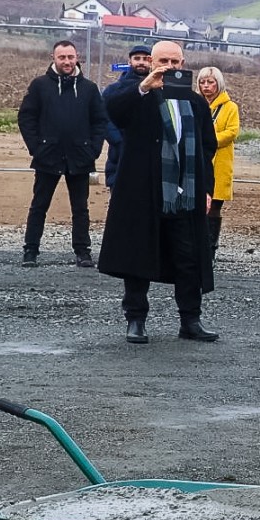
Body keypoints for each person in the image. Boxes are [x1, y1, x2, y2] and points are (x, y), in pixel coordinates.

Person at [98, 40, 216, 343]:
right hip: (144, 191)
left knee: (188, 258)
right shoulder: (139, 94)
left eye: (175, 62)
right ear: (152, 62)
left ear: (183, 64)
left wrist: (206, 188)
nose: (170, 67)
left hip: (185, 193)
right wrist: (144, 87)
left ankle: (190, 320)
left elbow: (207, 148)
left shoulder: (196, 102)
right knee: (138, 257)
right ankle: (136, 319)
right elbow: (113, 112)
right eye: (163, 61)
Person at [17, 38, 108, 268]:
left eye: (70, 57)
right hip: (48, 155)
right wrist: (37, 147)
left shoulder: (89, 89)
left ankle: (83, 252)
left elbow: (99, 121)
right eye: (62, 57)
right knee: (39, 205)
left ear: (77, 57)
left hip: (80, 156)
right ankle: (30, 251)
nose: (67, 61)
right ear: (53, 58)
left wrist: (93, 150)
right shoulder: (40, 85)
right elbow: (26, 117)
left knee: (80, 208)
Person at [197, 66, 239, 261]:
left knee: (214, 207)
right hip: (198, 161)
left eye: (210, 82)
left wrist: (207, 139)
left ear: (218, 83)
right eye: (202, 82)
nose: (206, 86)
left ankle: (210, 249)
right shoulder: (195, 104)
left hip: (219, 164)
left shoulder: (230, 107)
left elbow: (231, 132)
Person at [102, 42, 153, 189]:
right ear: (129, 61)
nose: (141, 62)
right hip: (120, 157)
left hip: (150, 156)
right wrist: (120, 142)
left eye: (145, 59)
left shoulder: (159, 89)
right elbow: (104, 117)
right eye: (137, 58)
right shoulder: (114, 90)